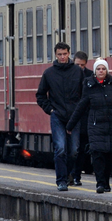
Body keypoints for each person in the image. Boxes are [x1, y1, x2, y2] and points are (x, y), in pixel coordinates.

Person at [66, 59, 112, 194]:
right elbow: (81, 105)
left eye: (103, 69)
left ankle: (106, 182)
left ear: (107, 71)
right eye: (98, 69)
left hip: (111, 124)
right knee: (97, 154)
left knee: (109, 154)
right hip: (95, 125)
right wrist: (70, 124)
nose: (101, 71)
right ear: (94, 71)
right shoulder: (89, 85)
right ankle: (100, 183)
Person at [36, 42, 85, 192]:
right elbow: (40, 95)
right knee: (60, 148)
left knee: (74, 150)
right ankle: (61, 180)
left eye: (64, 54)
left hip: (74, 116)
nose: (62, 57)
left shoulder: (77, 71)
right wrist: (50, 110)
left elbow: (84, 94)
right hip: (57, 115)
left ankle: (68, 173)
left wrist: (80, 110)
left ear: (69, 53)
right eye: (59, 54)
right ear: (55, 55)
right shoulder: (49, 73)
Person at [70, 51, 93, 186]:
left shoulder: (90, 76)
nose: (80, 68)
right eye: (77, 64)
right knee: (72, 149)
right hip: (71, 116)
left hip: (84, 117)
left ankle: (77, 175)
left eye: (82, 65)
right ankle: (71, 174)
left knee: (81, 149)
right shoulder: (67, 75)